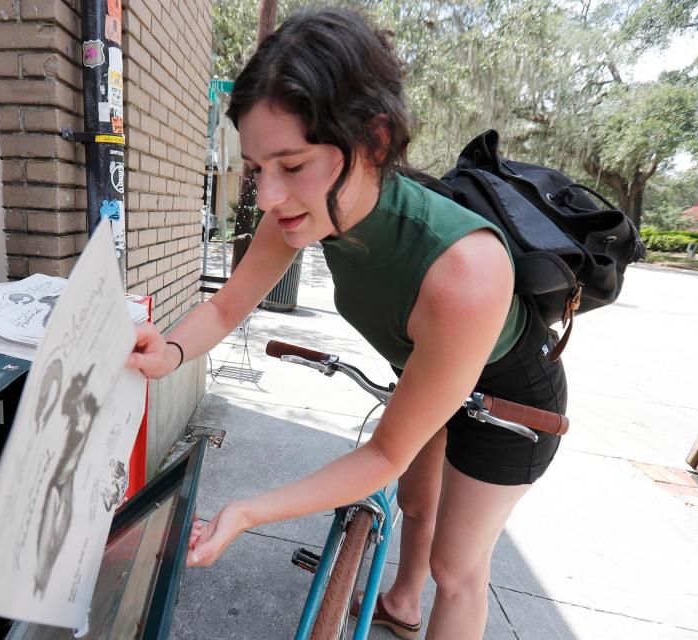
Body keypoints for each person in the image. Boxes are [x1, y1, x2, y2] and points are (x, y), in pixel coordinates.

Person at [126, 8, 566, 639]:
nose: (269, 196)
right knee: (416, 505)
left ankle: (429, 596)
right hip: (427, 370)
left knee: (458, 566)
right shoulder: (310, 209)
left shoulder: (465, 271)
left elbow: (385, 451)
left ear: (375, 142)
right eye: (257, 168)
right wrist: (167, 352)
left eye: (293, 164)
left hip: (512, 405)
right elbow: (227, 306)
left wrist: (250, 510)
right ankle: (402, 603)